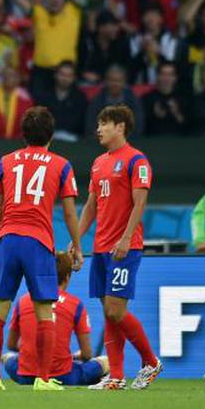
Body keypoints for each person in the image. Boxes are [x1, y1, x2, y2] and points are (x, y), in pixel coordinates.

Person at [0, 106, 82, 392]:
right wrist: (76, 245)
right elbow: (69, 214)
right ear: (51, 134)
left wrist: (2, 234)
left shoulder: (5, 162)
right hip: (38, 242)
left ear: (23, 133)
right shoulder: (61, 165)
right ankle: (44, 379)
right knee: (44, 312)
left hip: (9, 239)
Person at [78, 105, 161, 390]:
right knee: (108, 312)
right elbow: (90, 206)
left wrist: (126, 238)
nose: (99, 129)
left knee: (115, 310)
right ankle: (115, 377)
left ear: (121, 126)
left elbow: (140, 203)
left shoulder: (136, 160)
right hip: (100, 248)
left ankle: (150, 362)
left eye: (104, 123)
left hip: (125, 247)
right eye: (98, 124)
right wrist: (77, 240)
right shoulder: (99, 162)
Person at [2, 251, 109, 386]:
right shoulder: (75, 304)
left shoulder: (23, 301)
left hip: (26, 376)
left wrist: (30, 351)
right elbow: (87, 354)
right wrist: (73, 357)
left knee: (7, 357)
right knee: (106, 361)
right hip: (63, 376)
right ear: (67, 277)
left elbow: (11, 345)